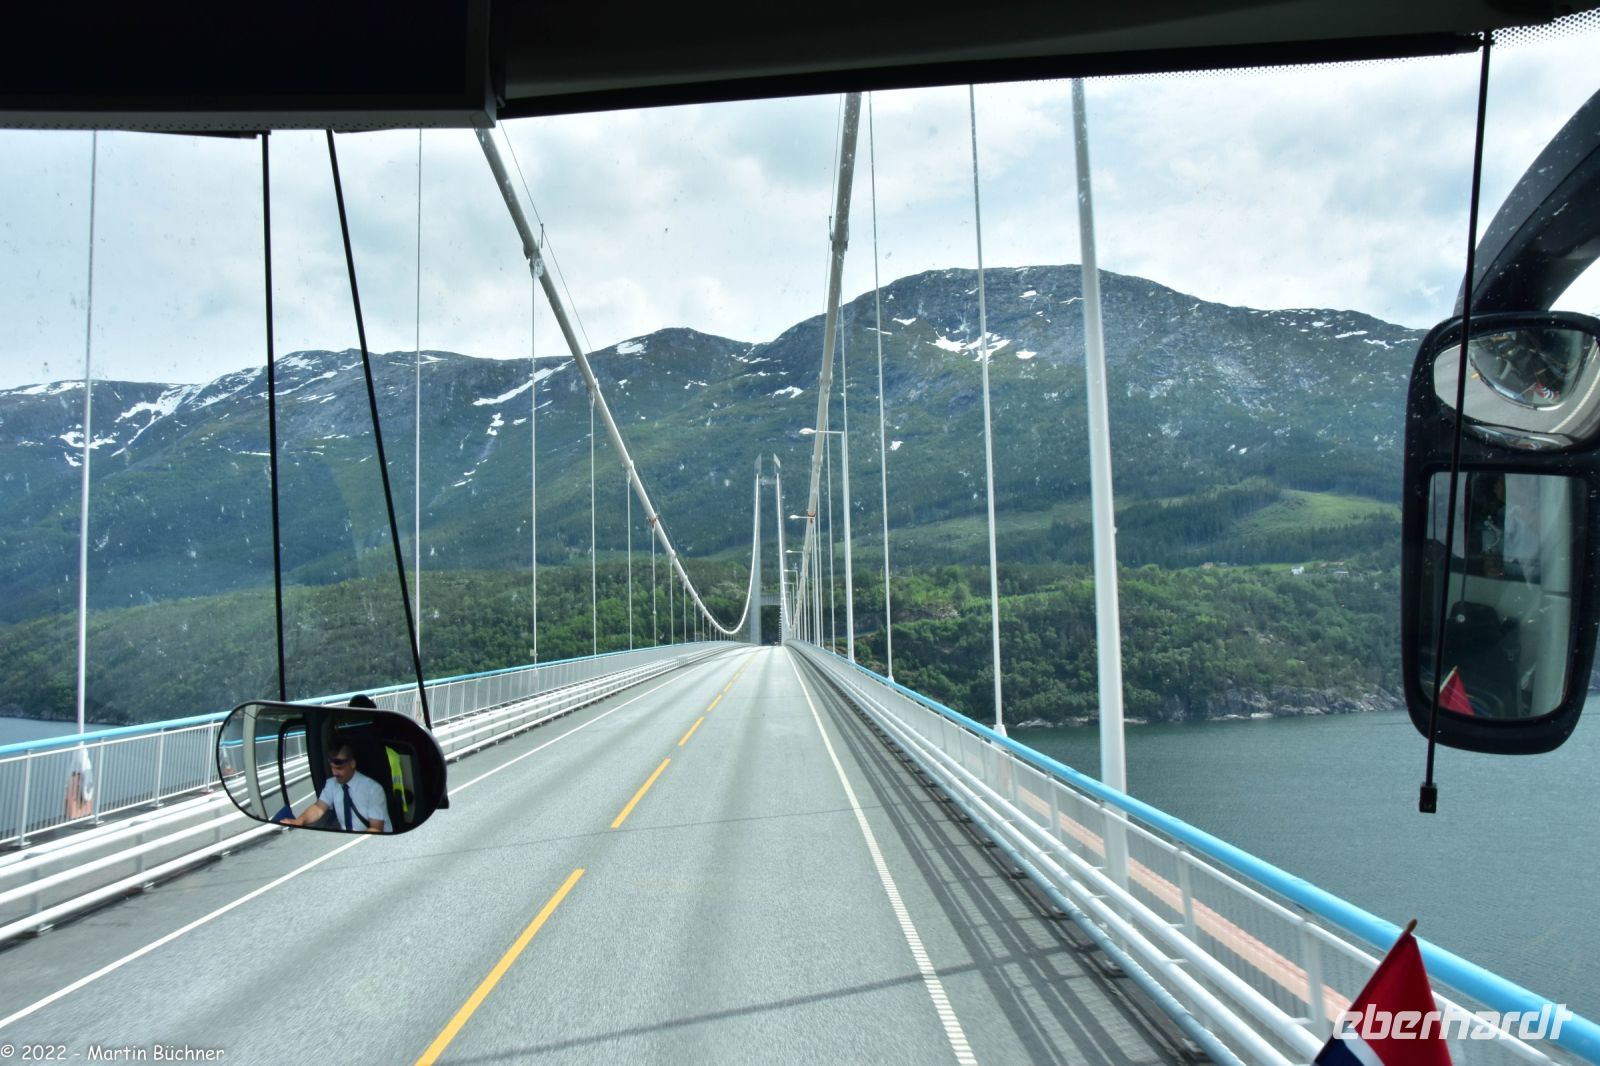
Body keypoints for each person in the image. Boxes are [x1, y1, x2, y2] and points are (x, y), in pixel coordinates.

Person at [276, 741, 392, 833]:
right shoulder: (332, 784)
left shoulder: (373, 789)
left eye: (339, 768)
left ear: (352, 764)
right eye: (332, 768)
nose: (335, 773)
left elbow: (376, 829)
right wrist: (299, 821)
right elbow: (318, 808)